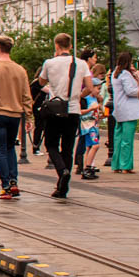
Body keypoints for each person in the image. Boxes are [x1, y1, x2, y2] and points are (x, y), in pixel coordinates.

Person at [36, 32, 94, 201]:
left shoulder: (50, 63)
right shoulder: (81, 63)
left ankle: (62, 172)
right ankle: (63, 188)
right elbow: (89, 87)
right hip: (73, 109)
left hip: (55, 109)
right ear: (70, 46)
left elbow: (40, 82)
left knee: (51, 144)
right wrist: (78, 96)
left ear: (57, 46)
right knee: (67, 147)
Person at [0, 35, 34, 200]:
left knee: (0, 149)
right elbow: (26, 96)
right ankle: (14, 181)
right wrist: (29, 117)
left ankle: (6, 186)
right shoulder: (20, 70)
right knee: (10, 148)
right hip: (15, 115)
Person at [109, 52, 139, 174]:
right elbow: (130, 91)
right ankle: (126, 165)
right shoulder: (126, 74)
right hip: (129, 110)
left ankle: (116, 164)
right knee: (127, 139)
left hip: (119, 109)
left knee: (118, 138)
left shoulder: (115, 73)